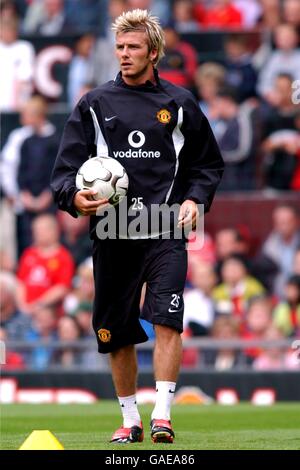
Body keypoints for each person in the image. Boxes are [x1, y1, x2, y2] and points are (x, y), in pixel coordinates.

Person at [51, 9, 223, 444]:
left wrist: (194, 199)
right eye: (121, 48)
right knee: (114, 331)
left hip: (164, 228)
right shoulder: (93, 104)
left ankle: (162, 415)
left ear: (154, 52)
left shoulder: (179, 103)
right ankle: (130, 420)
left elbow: (208, 164)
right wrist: (74, 196)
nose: (125, 55)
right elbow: (64, 172)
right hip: (112, 231)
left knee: (168, 319)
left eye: (133, 48)